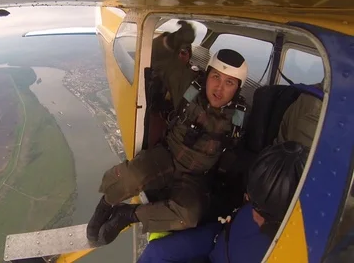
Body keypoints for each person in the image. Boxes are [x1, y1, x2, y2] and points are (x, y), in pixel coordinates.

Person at [86, 21, 249, 245]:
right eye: (215, 77)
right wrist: (174, 40)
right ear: (207, 74)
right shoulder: (189, 85)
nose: (219, 88)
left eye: (229, 82)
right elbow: (154, 57)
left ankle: (128, 215)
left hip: (195, 178)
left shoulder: (239, 118)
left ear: (238, 88)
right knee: (129, 176)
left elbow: (238, 154)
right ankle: (105, 206)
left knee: (189, 216)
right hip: (166, 156)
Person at [137, 140, 308, 263]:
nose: (252, 212)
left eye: (259, 210)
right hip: (219, 237)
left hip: (224, 246)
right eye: (251, 201)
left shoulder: (292, 248)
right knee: (157, 253)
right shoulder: (267, 198)